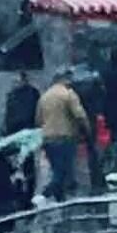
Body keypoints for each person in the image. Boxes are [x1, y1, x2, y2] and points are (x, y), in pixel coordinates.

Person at [34, 67, 94, 201]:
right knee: (63, 172)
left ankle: (60, 200)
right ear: (64, 79)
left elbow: (38, 119)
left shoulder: (45, 96)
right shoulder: (68, 94)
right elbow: (80, 115)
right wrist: (87, 131)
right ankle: (43, 196)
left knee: (57, 170)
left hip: (48, 138)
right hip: (65, 137)